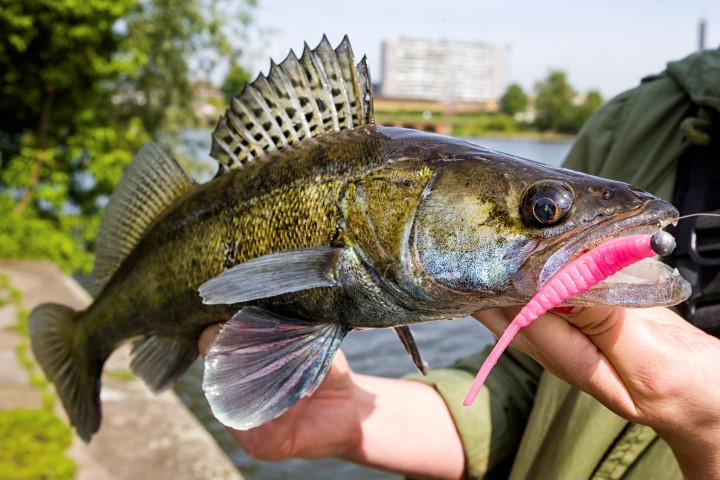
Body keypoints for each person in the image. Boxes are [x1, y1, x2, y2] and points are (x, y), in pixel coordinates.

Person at [199, 49, 720, 479]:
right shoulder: (640, 121)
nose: (547, 217)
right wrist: (348, 418)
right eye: (543, 210)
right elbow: (521, 389)